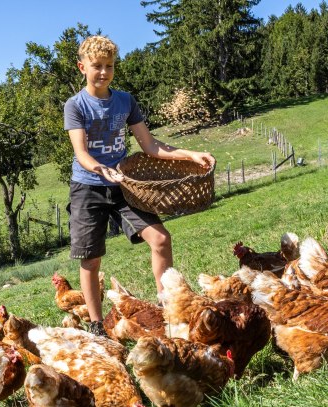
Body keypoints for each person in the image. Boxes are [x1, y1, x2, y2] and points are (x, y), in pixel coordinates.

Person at [64, 35, 215, 336]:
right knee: (91, 260)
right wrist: (100, 169)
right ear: (82, 67)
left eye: (109, 66)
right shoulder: (76, 105)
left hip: (126, 186)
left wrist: (190, 154)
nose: (104, 72)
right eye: (97, 66)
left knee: (161, 240)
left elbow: (150, 145)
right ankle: (96, 326)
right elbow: (81, 153)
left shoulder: (125, 101)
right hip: (88, 188)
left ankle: (167, 308)